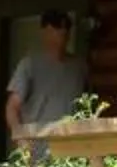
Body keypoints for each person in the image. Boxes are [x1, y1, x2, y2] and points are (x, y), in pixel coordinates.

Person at [5, 9, 87, 143]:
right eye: (57, 26)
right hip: (38, 148)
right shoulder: (29, 64)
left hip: (72, 147)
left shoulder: (79, 67)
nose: (63, 31)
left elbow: (87, 108)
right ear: (44, 30)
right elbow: (12, 107)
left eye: (67, 26)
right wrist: (21, 139)